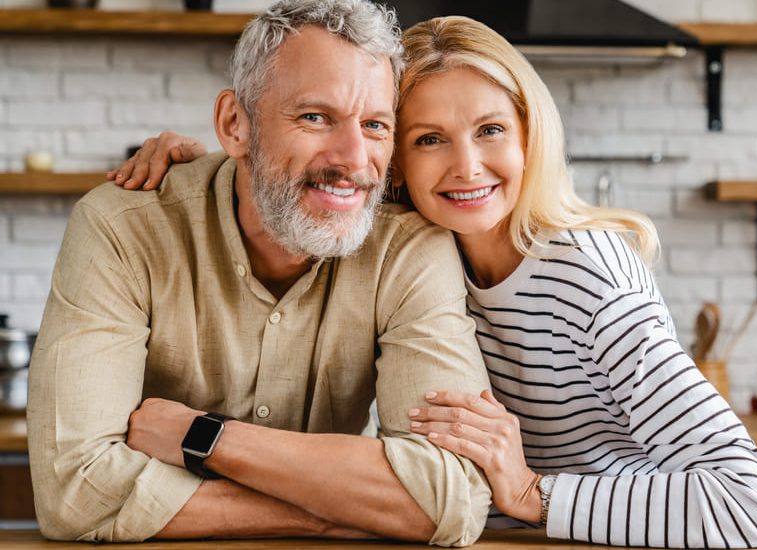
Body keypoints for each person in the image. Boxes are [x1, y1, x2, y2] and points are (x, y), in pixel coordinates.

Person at [112, 15, 757, 549]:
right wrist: (208, 164)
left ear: (530, 137)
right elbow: (311, 184)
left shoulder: (589, 278)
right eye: (430, 138)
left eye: (490, 130)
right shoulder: (419, 251)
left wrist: (529, 494)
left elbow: (749, 504)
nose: (467, 166)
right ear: (396, 160)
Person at [27, 1, 492, 545]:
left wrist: (206, 438)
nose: (352, 156)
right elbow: (73, 492)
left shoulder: (408, 248)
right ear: (234, 124)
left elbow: (453, 497)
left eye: (374, 125)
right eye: (315, 117)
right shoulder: (123, 227)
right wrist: (328, 512)